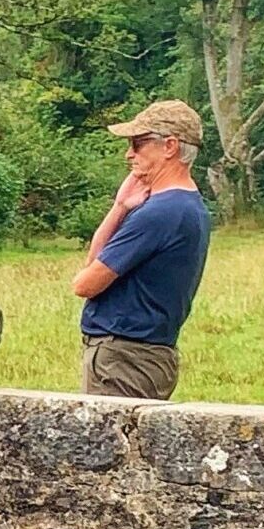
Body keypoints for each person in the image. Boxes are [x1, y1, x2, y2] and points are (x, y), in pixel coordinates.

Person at [72, 100, 211, 402]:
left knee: (108, 448)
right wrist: (121, 206)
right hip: (146, 357)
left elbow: (84, 283)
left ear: (170, 146)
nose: (129, 154)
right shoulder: (189, 206)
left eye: (138, 143)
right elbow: (93, 265)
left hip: (124, 360)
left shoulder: (160, 212)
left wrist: (122, 210)